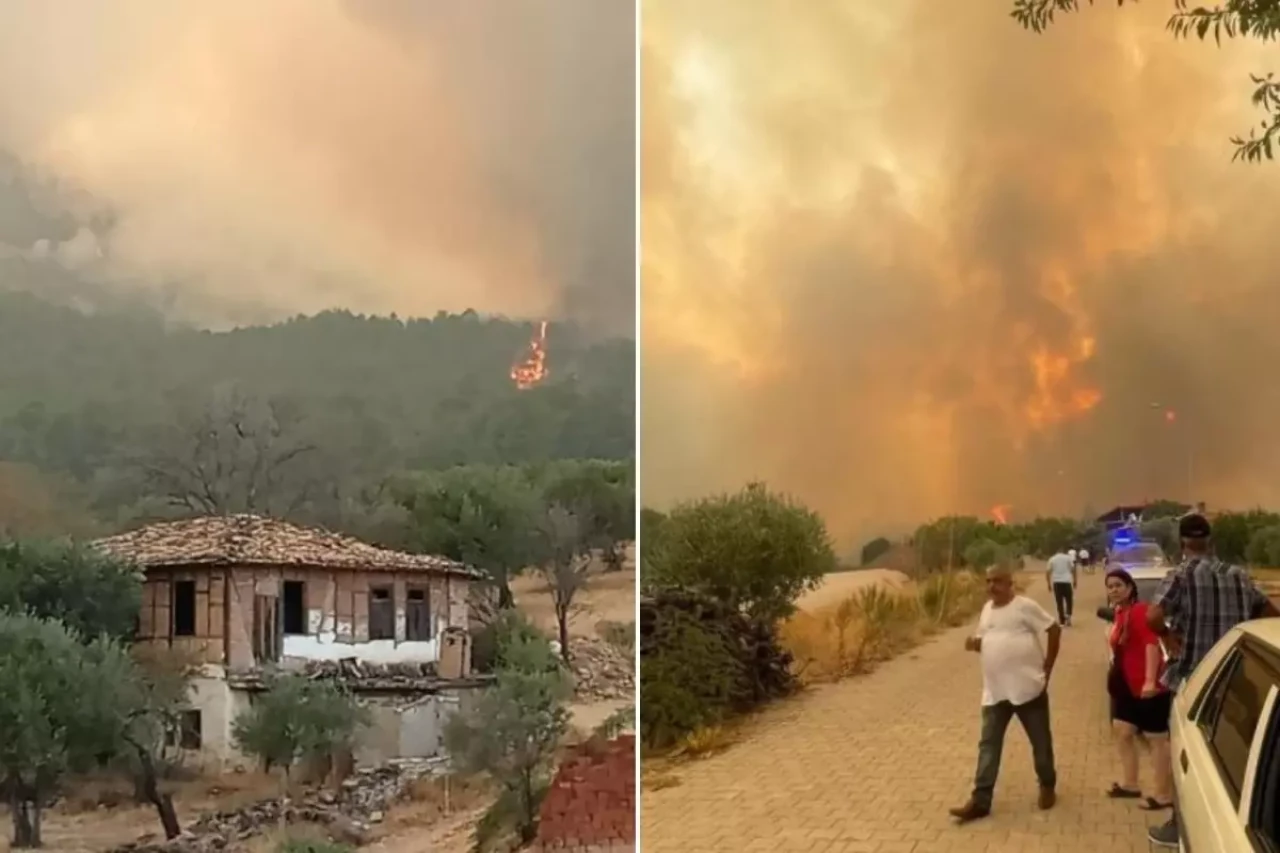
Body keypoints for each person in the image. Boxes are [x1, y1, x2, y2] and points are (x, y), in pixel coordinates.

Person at [1143, 513, 1280, 849]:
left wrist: (1168, 636)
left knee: (1186, 746)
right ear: (1211, 540)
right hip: (1235, 674)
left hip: (1196, 680)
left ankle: (1179, 823)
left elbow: (1153, 615)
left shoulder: (1182, 574)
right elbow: (1270, 614)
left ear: (1182, 543)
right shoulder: (1238, 575)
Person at [949, 565, 1061, 823]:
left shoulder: (1025, 606)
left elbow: (1054, 629)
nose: (991, 586)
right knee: (988, 745)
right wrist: (974, 644)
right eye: (987, 581)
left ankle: (1047, 785)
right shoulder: (987, 610)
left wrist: (1047, 669)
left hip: (1028, 689)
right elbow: (986, 641)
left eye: (997, 581)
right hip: (995, 692)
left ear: (1010, 583)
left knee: (1040, 743)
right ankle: (980, 801)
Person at [1102, 568, 1173, 811]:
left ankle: (1164, 795)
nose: (1114, 590)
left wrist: (1150, 681)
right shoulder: (1122, 613)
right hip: (1127, 686)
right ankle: (1131, 784)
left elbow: (1151, 644)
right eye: (1110, 586)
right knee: (1122, 731)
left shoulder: (1141, 611)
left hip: (1149, 687)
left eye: (1119, 585)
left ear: (1130, 588)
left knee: (1157, 740)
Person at [1045, 548, 1077, 626]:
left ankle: (1062, 620)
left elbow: (1048, 572)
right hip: (1067, 582)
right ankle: (1068, 616)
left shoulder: (1052, 559)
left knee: (1059, 602)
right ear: (1063, 551)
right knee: (1069, 600)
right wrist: (1075, 580)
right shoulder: (1068, 558)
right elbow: (1073, 569)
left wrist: (1048, 584)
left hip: (1057, 582)